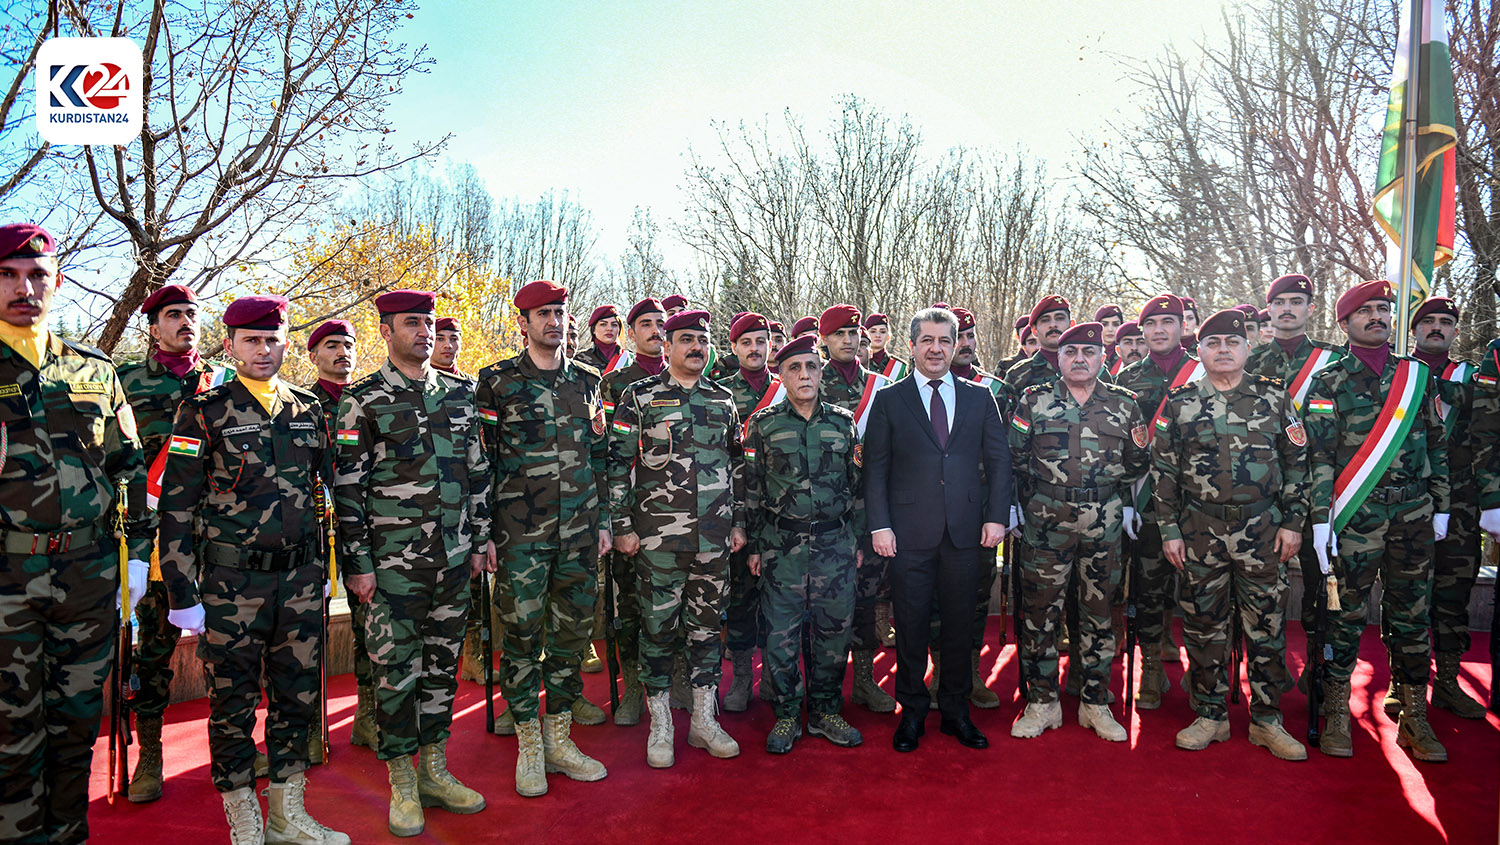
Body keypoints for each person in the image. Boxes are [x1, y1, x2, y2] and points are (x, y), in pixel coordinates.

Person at [156, 294, 348, 844]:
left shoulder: (309, 410)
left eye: (273, 339)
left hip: (302, 581)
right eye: (252, 341)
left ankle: (289, 814)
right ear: (231, 345)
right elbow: (177, 505)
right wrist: (179, 590)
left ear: (288, 342)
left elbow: (335, 488)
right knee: (232, 702)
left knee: (298, 697)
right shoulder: (204, 411)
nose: (264, 350)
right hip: (230, 585)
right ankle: (244, 815)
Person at [0, 224, 146, 844]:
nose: (22, 288)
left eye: (36, 275)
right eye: (6, 274)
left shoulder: (94, 370)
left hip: (87, 576)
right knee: (10, 728)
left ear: (56, 281)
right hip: (6, 577)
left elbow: (130, 468)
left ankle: (68, 835)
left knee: (77, 723)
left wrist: (138, 560)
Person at [334, 289, 491, 836]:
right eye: (410, 324)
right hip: (391, 567)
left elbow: (477, 474)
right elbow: (347, 491)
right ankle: (402, 783)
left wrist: (477, 541)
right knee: (397, 675)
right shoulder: (363, 401)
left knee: (442, 670)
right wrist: (357, 563)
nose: (423, 333)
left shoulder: (460, 395)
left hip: (452, 561)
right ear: (385, 332)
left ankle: (434, 770)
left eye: (428, 323)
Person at [1152, 309, 1308, 761]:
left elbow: (1298, 464)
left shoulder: (1274, 398)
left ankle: (1267, 720)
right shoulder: (1179, 402)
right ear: (1199, 350)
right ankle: (1210, 715)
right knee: (1204, 626)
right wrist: (1169, 530)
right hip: (1200, 530)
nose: (1223, 350)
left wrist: (1294, 521)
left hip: (1262, 530)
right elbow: (1163, 473)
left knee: (1267, 625)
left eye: (1232, 343)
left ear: (1247, 348)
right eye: (1213, 343)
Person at [474, 280, 610, 798]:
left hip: (579, 533)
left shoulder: (589, 381)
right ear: (523, 322)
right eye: (544, 314)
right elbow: (480, 461)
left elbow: (597, 455)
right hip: (519, 538)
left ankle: (560, 739)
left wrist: (602, 521)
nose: (555, 321)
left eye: (561, 311)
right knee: (522, 639)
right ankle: (529, 743)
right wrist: (484, 531)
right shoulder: (497, 382)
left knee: (573, 638)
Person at [1303, 279, 1448, 763]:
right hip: (1355, 513)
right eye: (1366, 311)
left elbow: (1437, 444)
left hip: (1413, 513)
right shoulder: (1328, 381)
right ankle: (1337, 709)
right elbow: (1319, 455)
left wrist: (1441, 505)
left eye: (1384, 309)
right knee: (1344, 614)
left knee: (1411, 615)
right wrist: (1321, 517)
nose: (1378, 317)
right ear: (1345, 323)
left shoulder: (1417, 376)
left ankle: (1413, 712)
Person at [865, 306, 1010, 752]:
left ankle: (955, 712)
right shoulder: (889, 399)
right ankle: (910, 714)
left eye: (945, 341)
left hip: (967, 532)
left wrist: (996, 516)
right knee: (909, 626)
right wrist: (880, 526)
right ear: (911, 346)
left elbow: (1000, 460)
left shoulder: (978, 396)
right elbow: (876, 468)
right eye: (927, 340)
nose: (936, 348)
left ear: (956, 346)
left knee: (961, 626)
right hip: (908, 534)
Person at [608, 310, 747, 768]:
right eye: (686, 339)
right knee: (657, 633)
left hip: (713, 541)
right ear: (666, 346)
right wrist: (623, 526)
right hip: (657, 543)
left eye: (702, 340)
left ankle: (705, 721)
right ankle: (662, 725)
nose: (696, 348)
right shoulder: (639, 396)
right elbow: (617, 466)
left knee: (707, 632)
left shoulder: (723, 400)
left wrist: (738, 522)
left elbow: (737, 469)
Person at [116, 283, 235, 803]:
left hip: (219, 540)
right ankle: (150, 755)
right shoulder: (126, 383)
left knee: (227, 653)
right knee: (153, 656)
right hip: (159, 539)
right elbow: (119, 464)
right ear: (153, 327)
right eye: (174, 315)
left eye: (192, 313)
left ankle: (230, 751)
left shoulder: (225, 383)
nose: (186, 321)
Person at [1008, 322, 1145, 743]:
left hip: (1103, 520)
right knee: (1040, 613)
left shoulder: (1125, 404)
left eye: (1089, 351)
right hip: (1046, 519)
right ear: (1059, 358)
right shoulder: (1033, 401)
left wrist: (1123, 505)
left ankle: (1095, 703)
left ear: (1103, 357)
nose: (1080, 359)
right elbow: (1014, 456)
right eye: (1071, 352)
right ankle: (1042, 703)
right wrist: (1016, 508)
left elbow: (1138, 462)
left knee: (1099, 613)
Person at [744, 334, 865, 752]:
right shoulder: (764, 425)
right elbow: (753, 490)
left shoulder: (843, 422)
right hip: (783, 547)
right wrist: (757, 547)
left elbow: (858, 487)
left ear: (821, 371)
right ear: (781, 375)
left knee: (833, 634)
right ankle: (788, 715)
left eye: (811, 366)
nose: (804, 375)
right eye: (794, 368)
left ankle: (827, 710)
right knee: (781, 637)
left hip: (835, 546)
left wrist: (857, 540)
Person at [1244, 274, 1345, 692]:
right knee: (1261, 588)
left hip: (1320, 491)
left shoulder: (1335, 361)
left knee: (1320, 583)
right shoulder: (1250, 361)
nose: (1287, 308)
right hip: (1263, 493)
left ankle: (1318, 671)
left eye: (1296, 301)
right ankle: (1270, 669)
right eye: (1280, 302)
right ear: (1269, 310)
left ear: (1310, 309)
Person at [1115, 293, 1204, 710]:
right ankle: (1151, 668)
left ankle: (1202, 670)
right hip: (1148, 500)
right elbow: (1121, 447)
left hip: (1202, 501)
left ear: (1182, 326)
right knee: (1150, 588)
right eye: (1151, 324)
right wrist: (1127, 500)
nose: (1159, 330)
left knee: (1202, 589)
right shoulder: (1127, 379)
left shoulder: (1207, 370)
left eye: (1168, 322)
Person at [1406, 297, 1488, 719]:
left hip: (1459, 504)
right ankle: (1404, 686)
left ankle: (1448, 682)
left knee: (1453, 595)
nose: (1437, 328)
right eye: (1428, 321)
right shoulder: (1396, 375)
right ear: (1414, 329)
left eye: (1445, 322)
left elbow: (1483, 409)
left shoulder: (1474, 376)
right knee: (1406, 597)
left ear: (1455, 331)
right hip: (1410, 502)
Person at [816, 304, 898, 714]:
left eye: (855, 333)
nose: (849, 340)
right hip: (827, 514)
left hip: (872, 513)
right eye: (839, 334)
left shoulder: (883, 388)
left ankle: (864, 681)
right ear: (824, 341)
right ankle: (823, 689)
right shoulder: (812, 384)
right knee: (825, 605)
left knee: (867, 599)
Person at [303, 320, 379, 753]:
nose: (342, 353)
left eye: (348, 345)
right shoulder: (298, 404)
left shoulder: (368, 399)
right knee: (308, 634)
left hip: (360, 530)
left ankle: (367, 717)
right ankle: (312, 729)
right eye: (331, 346)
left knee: (368, 629)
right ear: (314, 356)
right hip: (313, 532)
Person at [598, 297, 670, 727]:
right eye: (646, 324)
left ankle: (674, 679)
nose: (656, 330)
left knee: (675, 605)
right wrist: (616, 519)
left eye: (662, 323)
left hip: (678, 517)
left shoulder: (688, 375)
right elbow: (612, 458)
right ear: (632, 332)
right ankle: (631, 689)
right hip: (633, 516)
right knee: (629, 606)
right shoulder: (614, 385)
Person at [944, 306, 1010, 710]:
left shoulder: (995, 390)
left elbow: (1007, 458)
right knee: (933, 601)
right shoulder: (913, 390)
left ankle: (970, 675)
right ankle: (939, 677)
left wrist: (1002, 513)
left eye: (970, 336)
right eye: (958, 338)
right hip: (932, 516)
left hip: (979, 514)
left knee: (974, 599)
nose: (966, 344)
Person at [719, 312, 783, 711]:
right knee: (741, 600)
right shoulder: (721, 393)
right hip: (737, 510)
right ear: (734, 348)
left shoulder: (788, 387)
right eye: (747, 342)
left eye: (762, 341)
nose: (756, 349)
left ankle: (775, 678)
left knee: (780, 601)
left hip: (780, 511)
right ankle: (742, 679)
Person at [575, 304, 623, 372]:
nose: (609, 328)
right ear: (593, 330)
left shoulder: (628, 359)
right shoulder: (580, 359)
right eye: (603, 324)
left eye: (614, 325)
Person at [866, 312, 909, 379]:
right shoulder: (858, 362)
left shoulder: (898, 367)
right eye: (873, 331)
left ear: (888, 336)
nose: (878, 335)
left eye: (882, 332)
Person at [1095, 303, 1125, 370]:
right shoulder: (1089, 352)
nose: (1110, 329)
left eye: (1115, 324)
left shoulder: (1128, 352)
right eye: (1105, 324)